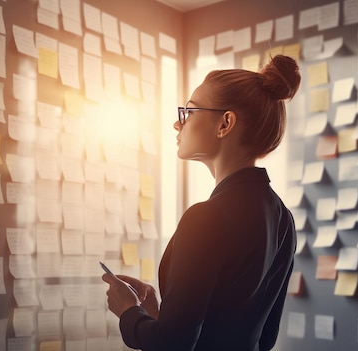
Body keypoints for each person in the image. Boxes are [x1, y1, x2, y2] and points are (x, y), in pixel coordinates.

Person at [102, 54, 301, 351]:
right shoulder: (283, 218)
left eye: (189, 112)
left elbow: (171, 345)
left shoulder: (206, 217)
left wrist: (128, 312)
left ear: (225, 123)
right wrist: (158, 315)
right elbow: (264, 338)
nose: (176, 123)